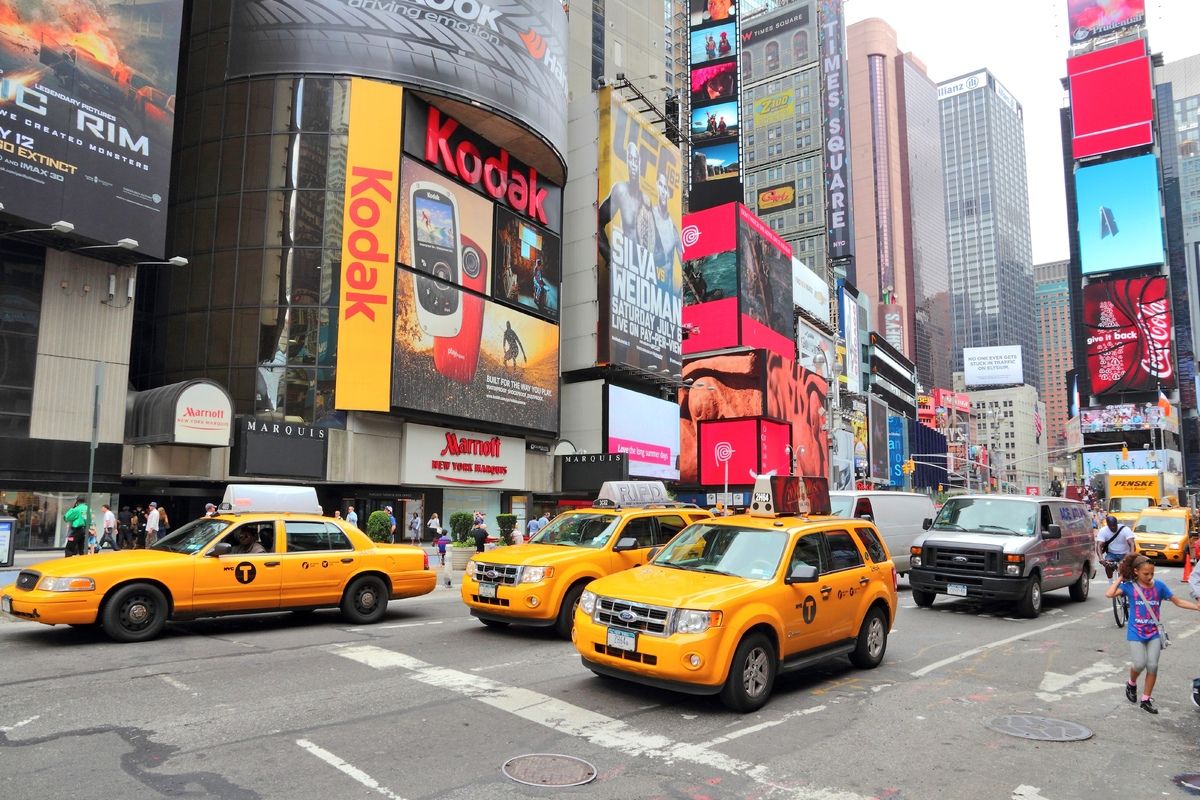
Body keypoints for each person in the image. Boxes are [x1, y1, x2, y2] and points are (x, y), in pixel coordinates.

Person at [1105, 553, 1200, 714]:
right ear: (1136, 571)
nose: (1149, 577)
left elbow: (1177, 601)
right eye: (1145, 574)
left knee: (1153, 666)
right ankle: (1131, 683)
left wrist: (1196, 607)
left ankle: (1146, 699)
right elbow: (1109, 594)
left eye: (1152, 574)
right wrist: (1121, 577)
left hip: (1154, 633)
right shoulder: (1130, 587)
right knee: (1139, 664)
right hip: (1136, 632)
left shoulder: (1160, 586)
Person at [1096, 514, 1135, 579]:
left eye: (1114, 526)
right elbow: (1099, 545)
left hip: (1125, 553)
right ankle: (1110, 582)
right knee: (1108, 565)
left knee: (1126, 569)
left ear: (1117, 523)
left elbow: (1132, 543)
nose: (1113, 528)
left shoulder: (1125, 529)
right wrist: (1101, 558)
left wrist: (1131, 556)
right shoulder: (1103, 531)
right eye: (1111, 527)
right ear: (1108, 525)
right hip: (1112, 554)